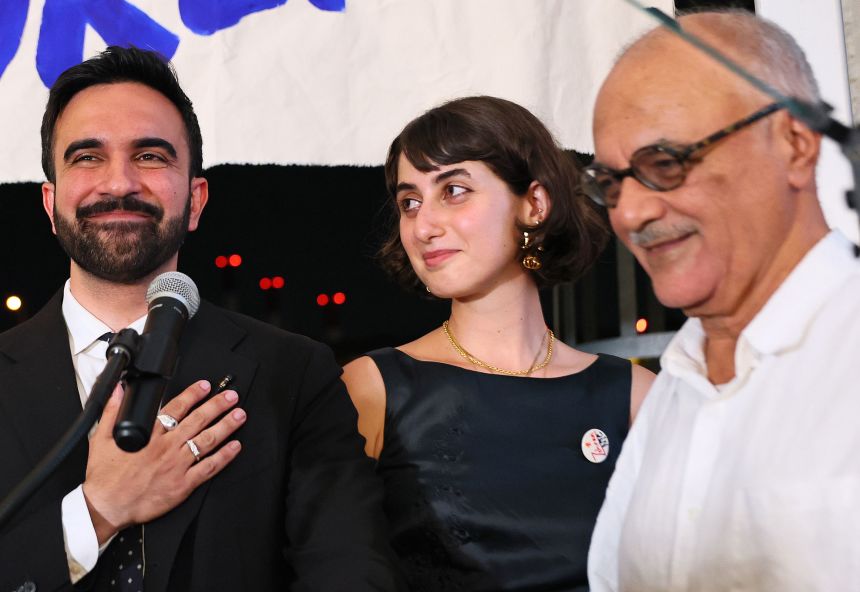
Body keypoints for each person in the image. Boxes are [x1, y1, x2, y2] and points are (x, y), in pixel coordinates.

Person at [0, 46, 402, 591]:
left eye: (150, 156)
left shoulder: (294, 374)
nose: (118, 183)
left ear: (195, 200)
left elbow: (353, 571)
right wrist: (98, 510)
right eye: (88, 157)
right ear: (50, 203)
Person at [584, 10, 860, 592]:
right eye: (610, 183)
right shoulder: (674, 388)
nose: (630, 213)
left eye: (666, 163)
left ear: (795, 144)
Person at [342, 95, 654, 591]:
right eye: (409, 203)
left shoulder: (634, 396)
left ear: (534, 204)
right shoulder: (373, 388)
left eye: (454, 190)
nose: (424, 226)